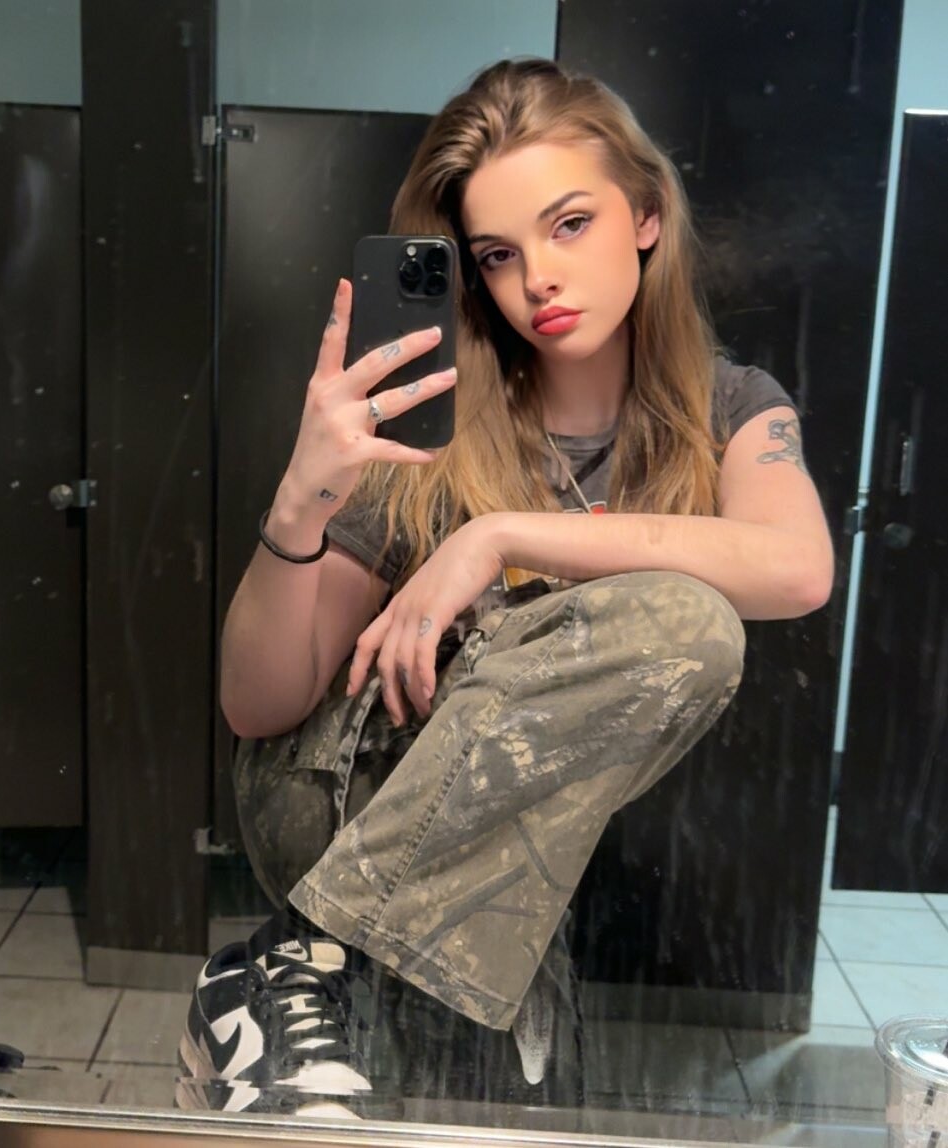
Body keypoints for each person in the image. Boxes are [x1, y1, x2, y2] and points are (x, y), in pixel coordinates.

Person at [174, 56, 834, 1119]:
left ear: (646, 216)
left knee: (513, 1112)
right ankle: (301, 958)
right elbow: (259, 708)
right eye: (497, 253)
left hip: (495, 871)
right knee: (682, 611)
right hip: (346, 794)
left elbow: (795, 567)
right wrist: (302, 498)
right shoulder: (431, 420)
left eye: (569, 224)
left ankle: (293, 969)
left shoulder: (732, 409)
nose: (538, 279)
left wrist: (495, 537)